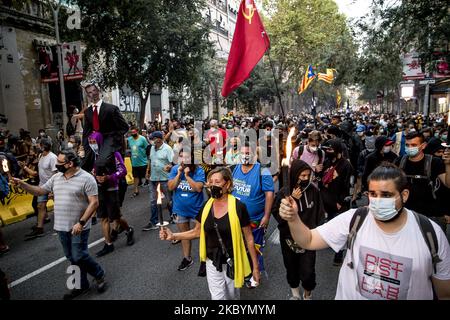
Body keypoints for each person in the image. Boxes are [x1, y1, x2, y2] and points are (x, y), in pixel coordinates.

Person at [278, 163, 450, 300]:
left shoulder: (431, 234)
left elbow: (444, 294)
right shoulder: (354, 219)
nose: (377, 200)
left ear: (404, 195)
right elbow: (308, 240)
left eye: (386, 195)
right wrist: (293, 218)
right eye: (373, 194)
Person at [12, 150, 107, 300]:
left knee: (79, 255)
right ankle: (80, 286)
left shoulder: (87, 178)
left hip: (78, 226)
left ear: (70, 164)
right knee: (71, 257)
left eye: (60, 163)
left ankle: (99, 274)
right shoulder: (56, 177)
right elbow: (40, 191)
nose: (56, 165)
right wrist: (23, 184)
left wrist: (81, 222)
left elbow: (94, 202)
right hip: (61, 227)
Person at [160, 167, 260, 300]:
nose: (213, 185)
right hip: (212, 261)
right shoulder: (206, 206)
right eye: (210, 181)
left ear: (228, 184)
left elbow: (249, 239)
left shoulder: (238, 207)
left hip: (232, 260)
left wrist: (256, 268)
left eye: (217, 182)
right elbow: (197, 231)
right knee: (217, 297)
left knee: (232, 297)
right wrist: (173, 235)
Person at [271, 160, 325, 300]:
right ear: (295, 175)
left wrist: (318, 232)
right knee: (291, 268)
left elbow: (320, 214)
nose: (305, 179)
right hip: (288, 239)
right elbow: (276, 212)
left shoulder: (314, 190)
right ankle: (295, 295)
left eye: (308, 175)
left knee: (308, 272)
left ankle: (308, 294)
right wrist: (291, 200)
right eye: (302, 176)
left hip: (309, 238)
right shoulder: (285, 192)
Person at [87, 132, 135, 257]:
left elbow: (123, 170)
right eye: (90, 142)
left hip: (112, 190)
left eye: (94, 142)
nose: (93, 145)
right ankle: (108, 244)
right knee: (103, 218)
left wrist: (109, 177)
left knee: (116, 217)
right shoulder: (93, 156)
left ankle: (129, 230)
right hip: (99, 191)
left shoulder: (113, 154)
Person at [231, 142, 274, 275]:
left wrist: (266, 216)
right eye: (242, 153)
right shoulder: (234, 168)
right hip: (235, 217)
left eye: (248, 153)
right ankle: (241, 270)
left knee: (254, 247)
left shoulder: (263, 171)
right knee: (237, 245)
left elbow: (269, 194)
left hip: (254, 219)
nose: (245, 156)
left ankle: (255, 272)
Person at [394, 132, 450, 232]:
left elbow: (448, 184)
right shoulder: (399, 162)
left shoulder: (435, 162)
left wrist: (448, 165)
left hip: (432, 215)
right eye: (407, 145)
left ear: (423, 145)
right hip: (406, 214)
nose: (409, 148)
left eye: (414, 145)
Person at [168, 149, 205, 270]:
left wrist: (187, 176)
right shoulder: (175, 169)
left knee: (202, 234)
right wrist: (179, 174)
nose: (183, 160)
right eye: (181, 157)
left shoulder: (199, 170)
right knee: (184, 235)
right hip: (180, 209)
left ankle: (205, 258)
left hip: (197, 209)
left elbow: (198, 189)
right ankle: (187, 258)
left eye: (186, 157)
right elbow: (170, 187)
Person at [81, 81, 129, 173]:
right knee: (86, 166)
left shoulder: (111, 109)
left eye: (94, 90)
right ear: (88, 96)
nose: (93, 93)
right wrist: (84, 147)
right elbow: (86, 132)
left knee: (102, 164)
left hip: (110, 141)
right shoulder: (88, 112)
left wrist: (114, 139)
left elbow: (124, 127)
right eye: (90, 92)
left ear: (98, 91)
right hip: (95, 143)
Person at [319, 139, 353, 266]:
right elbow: (321, 180)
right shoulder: (327, 162)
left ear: (338, 150)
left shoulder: (346, 165)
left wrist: (341, 201)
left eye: (330, 149)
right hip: (326, 199)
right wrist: (318, 171)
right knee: (329, 225)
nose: (327, 152)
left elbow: (349, 186)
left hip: (339, 203)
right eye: (326, 149)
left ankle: (338, 256)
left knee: (340, 230)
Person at [25, 138, 57, 239]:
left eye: (39, 144)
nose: (37, 146)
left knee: (59, 205)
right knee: (40, 206)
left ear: (43, 146)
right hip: (42, 186)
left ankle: (64, 224)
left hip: (52, 186)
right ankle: (40, 228)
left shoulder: (52, 157)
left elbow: (56, 174)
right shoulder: (40, 156)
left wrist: (53, 189)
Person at [142, 131, 174, 231]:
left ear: (159, 139)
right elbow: (150, 160)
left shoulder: (167, 149)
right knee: (153, 201)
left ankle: (174, 217)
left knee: (170, 200)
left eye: (154, 138)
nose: (152, 140)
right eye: (152, 139)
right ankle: (154, 221)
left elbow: (174, 162)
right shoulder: (152, 148)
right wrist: (148, 171)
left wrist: (170, 167)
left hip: (165, 179)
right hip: (153, 179)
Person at [127, 126, 149, 198]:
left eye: (134, 132)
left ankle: (152, 188)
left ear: (137, 131)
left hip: (143, 161)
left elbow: (147, 148)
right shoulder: (129, 139)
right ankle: (136, 191)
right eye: (131, 132)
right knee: (135, 177)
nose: (133, 133)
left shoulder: (142, 139)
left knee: (147, 176)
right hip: (134, 162)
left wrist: (148, 158)